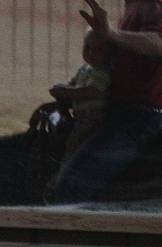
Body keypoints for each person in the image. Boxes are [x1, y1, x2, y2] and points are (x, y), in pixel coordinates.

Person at [45, 0, 162, 204]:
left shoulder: (153, 4)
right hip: (129, 114)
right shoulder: (134, 6)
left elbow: (160, 46)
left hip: (142, 119)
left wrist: (109, 33)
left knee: (68, 189)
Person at [47, 29, 113, 158]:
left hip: (93, 118)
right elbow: (75, 80)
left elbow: (91, 91)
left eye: (97, 49)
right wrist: (66, 85)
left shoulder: (102, 72)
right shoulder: (85, 68)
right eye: (87, 47)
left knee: (75, 140)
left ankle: (68, 166)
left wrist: (67, 91)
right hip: (80, 115)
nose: (90, 52)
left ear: (110, 53)